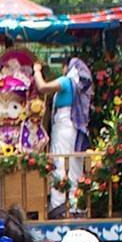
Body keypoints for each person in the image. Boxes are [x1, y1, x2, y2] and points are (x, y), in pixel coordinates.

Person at [43, 57, 94, 215]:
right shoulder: (75, 85)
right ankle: (74, 204)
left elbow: (42, 87)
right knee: (73, 167)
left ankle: (61, 206)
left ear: (68, 67)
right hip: (71, 130)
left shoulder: (66, 82)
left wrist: (37, 71)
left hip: (64, 128)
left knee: (61, 164)